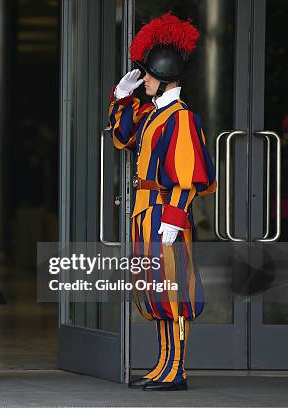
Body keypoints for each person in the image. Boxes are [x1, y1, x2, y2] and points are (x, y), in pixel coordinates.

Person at [108, 13, 216, 391]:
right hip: (146, 211)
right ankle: (163, 365)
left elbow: (187, 175)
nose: (145, 81)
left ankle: (177, 370)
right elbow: (122, 136)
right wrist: (122, 97)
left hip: (163, 212)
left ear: (166, 77)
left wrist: (173, 218)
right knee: (155, 289)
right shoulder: (156, 113)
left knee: (173, 291)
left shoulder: (180, 118)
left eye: (149, 76)